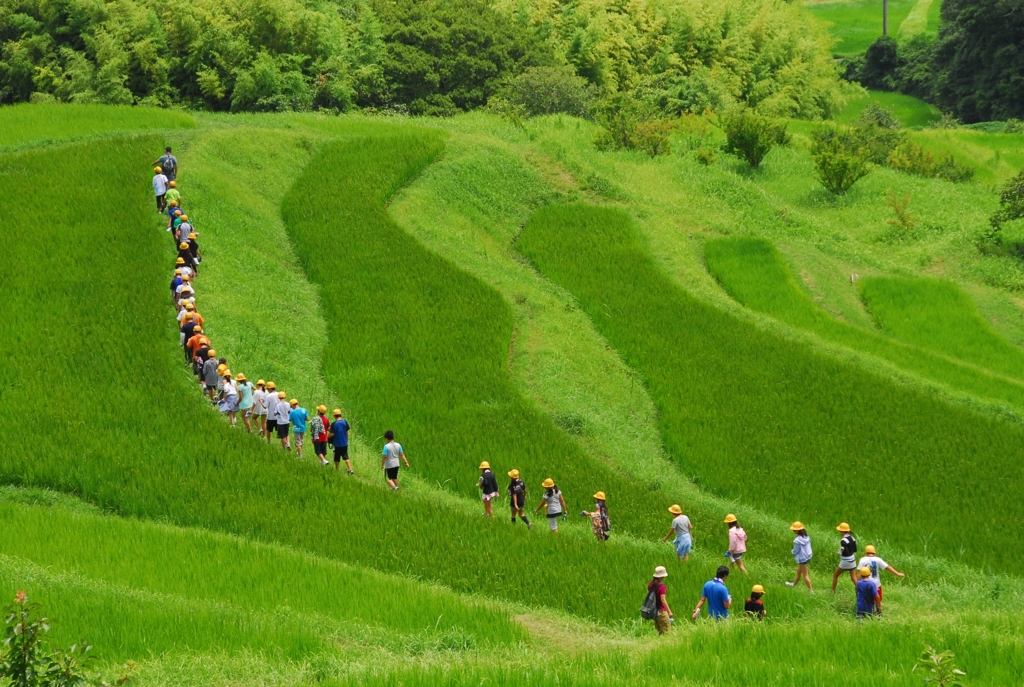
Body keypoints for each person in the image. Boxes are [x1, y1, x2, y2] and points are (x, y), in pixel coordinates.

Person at [832, 522, 859, 592]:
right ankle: (860, 590)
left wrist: (839, 552)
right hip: (852, 559)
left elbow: (845, 551)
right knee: (853, 577)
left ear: (842, 532)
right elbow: (855, 549)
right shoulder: (852, 538)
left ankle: (833, 591)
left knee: (835, 575)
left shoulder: (843, 540)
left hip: (845, 560)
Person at [786, 522, 813, 590]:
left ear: (799, 530)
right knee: (798, 571)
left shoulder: (797, 540)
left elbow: (796, 550)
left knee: (805, 575)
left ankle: (811, 590)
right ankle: (794, 584)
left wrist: (792, 551)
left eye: (795, 530)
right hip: (807, 556)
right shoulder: (807, 537)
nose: (793, 531)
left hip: (802, 558)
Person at [648, 566, 674, 634]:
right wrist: (669, 611)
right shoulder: (662, 586)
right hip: (661, 611)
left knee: (660, 632)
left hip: (654, 611)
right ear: (661, 576)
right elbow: (663, 600)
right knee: (667, 632)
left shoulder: (650, 584)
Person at [329, 409, 352, 473]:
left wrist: (327, 437)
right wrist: (346, 440)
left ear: (334, 416)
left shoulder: (334, 424)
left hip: (337, 444)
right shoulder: (345, 422)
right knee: (346, 456)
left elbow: (332, 434)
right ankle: (350, 469)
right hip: (344, 443)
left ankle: (337, 469)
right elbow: (347, 432)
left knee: (336, 458)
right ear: (341, 414)